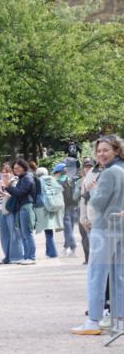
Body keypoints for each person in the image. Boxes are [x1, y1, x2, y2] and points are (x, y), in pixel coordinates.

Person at [73, 135, 124, 335]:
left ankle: (93, 320)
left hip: (104, 227)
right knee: (119, 275)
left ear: (116, 150)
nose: (101, 154)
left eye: (105, 150)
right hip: (120, 227)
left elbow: (98, 203)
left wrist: (93, 191)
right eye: (99, 151)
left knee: (97, 274)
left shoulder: (109, 173)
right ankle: (119, 319)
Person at [1, 159, 37, 265]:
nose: (16, 170)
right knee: (23, 234)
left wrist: (8, 187)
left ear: (24, 167)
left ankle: (31, 257)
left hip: (26, 207)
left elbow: (20, 193)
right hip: (22, 208)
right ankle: (26, 256)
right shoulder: (22, 178)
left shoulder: (27, 178)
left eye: (18, 167)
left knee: (27, 233)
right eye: (15, 168)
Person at [0, 163, 23, 266]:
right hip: (1, 211)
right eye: (3, 172)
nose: (5, 174)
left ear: (11, 173)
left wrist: (6, 194)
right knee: (4, 235)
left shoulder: (15, 182)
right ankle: (7, 257)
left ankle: (17, 257)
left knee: (15, 233)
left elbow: (18, 195)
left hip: (11, 211)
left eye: (7, 172)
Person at [34, 167, 64, 259]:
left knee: (48, 231)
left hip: (44, 208)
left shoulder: (38, 181)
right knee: (49, 230)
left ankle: (52, 252)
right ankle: (48, 251)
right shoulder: (53, 180)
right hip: (54, 206)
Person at [56, 163, 80, 258]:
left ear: (59, 172)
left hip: (64, 207)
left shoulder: (58, 182)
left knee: (68, 229)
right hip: (74, 206)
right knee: (70, 229)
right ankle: (66, 248)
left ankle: (73, 248)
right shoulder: (72, 179)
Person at [78, 158, 96, 264]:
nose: (88, 168)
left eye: (90, 166)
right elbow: (82, 199)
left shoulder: (96, 178)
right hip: (84, 210)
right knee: (84, 236)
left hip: (93, 213)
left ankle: (91, 259)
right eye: (86, 166)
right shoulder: (83, 180)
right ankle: (87, 258)